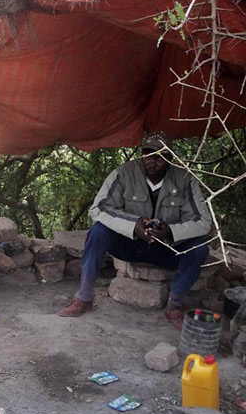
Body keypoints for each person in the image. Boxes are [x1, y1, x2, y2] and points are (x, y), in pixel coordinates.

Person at [57, 132, 211, 330]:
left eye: (159, 156)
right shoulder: (123, 173)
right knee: (98, 232)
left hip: (167, 247)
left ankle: (174, 306)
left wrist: (171, 231)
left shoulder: (185, 180)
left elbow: (203, 221)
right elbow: (99, 208)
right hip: (129, 244)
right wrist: (134, 225)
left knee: (200, 247)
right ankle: (84, 298)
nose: (152, 161)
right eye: (147, 154)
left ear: (170, 158)